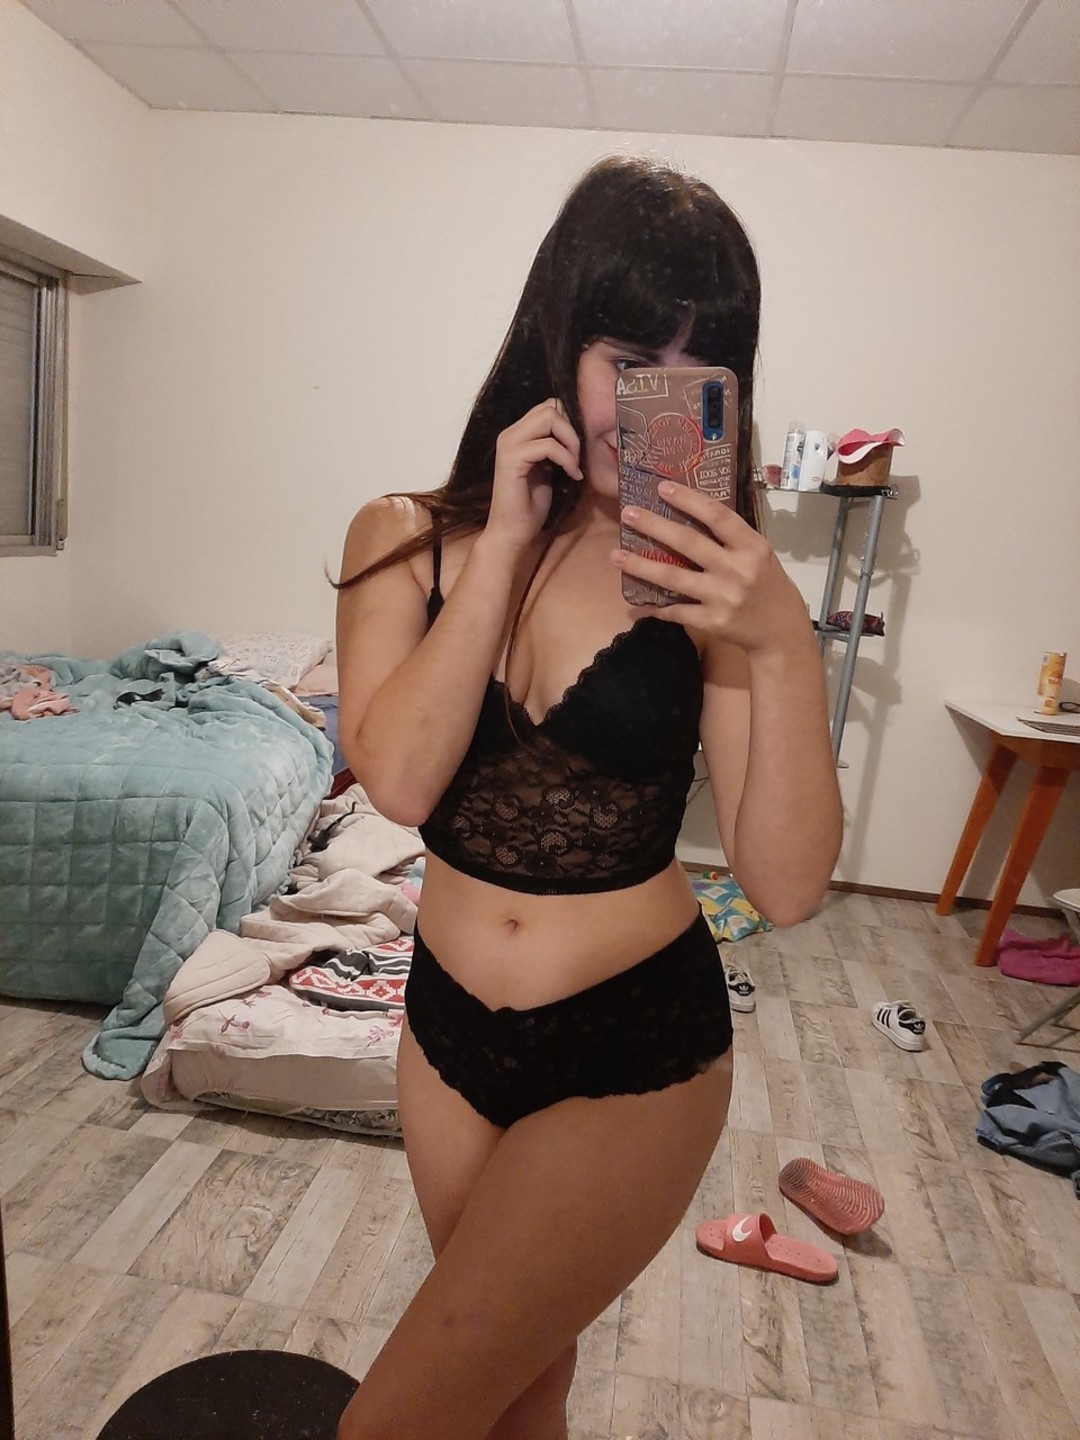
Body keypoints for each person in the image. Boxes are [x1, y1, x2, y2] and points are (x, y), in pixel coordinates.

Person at [334, 154, 842, 1440]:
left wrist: (782, 642)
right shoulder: (401, 534)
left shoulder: (716, 586)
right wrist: (506, 541)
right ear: (557, 343)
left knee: (396, 1422)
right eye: (629, 357)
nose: (652, 403)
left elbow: (786, 887)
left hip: (633, 1046)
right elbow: (399, 781)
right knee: (521, 1390)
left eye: (699, 366)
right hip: (445, 1031)